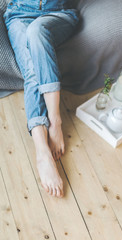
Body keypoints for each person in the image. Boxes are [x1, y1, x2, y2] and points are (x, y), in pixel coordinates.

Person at [3, 0, 79, 198]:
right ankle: (41, 150)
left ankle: (55, 121)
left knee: (36, 31)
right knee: (32, 71)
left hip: (58, 14)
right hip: (19, 15)